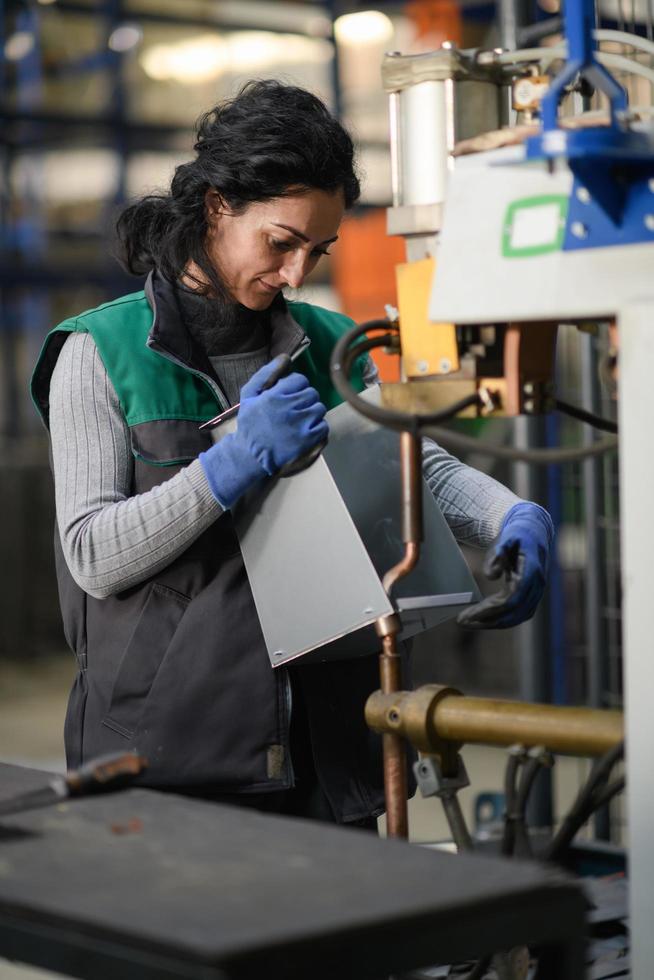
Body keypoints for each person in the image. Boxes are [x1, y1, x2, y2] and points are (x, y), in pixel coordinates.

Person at [31, 80, 553, 828]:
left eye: (318, 249)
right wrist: (229, 465)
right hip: (170, 753)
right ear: (216, 206)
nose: (296, 273)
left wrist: (509, 513)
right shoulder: (100, 351)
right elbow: (94, 555)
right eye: (281, 243)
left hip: (330, 742)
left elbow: (415, 462)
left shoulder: (331, 343)